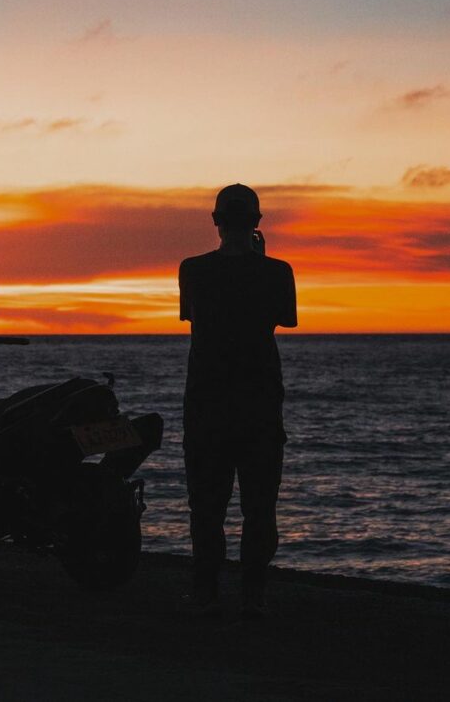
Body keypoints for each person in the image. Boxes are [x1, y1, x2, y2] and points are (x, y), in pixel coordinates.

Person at [179, 183, 297, 618]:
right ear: (257, 223)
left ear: (215, 221)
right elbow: (285, 317)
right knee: (260, 507)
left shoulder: (192, 269)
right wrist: (261, 262)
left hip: (207, 404)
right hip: (259, 405)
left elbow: (193, 315)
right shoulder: (277, 272)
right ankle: (253, 594)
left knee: (206, 506)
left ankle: (206, 590)